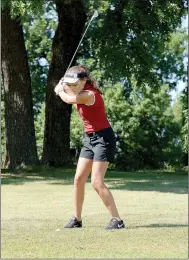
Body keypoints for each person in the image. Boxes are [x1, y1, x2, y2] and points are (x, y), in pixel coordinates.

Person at [54, 65, 125, 229]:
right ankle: (77, 219)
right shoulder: (79, 91)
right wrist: (64, 86)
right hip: (90, 139)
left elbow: (69, 99)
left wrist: (59, 90)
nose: (72, 87)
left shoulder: (89, 94)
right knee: (78, 179)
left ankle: (117, 220)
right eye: (70, 84)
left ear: (84, 80)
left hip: (103, 139)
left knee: (96, 182)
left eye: (75, 84)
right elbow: (72, 97)